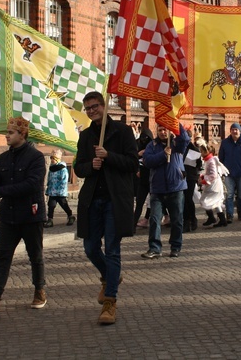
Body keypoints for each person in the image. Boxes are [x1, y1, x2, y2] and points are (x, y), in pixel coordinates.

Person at [0, 116, 47, 315]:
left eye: (11, 133)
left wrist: (1, 191)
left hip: (31, 214)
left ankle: (39, 290)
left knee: (35, 256)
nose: (6, 136)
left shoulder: (36, 157)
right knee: (2, 257)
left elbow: (31, 185)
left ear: (22, 134)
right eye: (7, 132)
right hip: (9, 215)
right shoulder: (4, 158)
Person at [74, 92, 139, 325]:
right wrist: (91, 165)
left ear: (104, 106)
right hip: (92, 200)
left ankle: (110, 301)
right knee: (90, 247)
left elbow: (132, 163)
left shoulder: (122, 131)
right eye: (88, 108)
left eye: (94, 107)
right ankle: (110, 276)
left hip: (114, 199)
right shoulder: (86, 135)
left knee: (112, 249)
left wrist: (109, 156)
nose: (91, 111)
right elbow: (78, 167)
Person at [142, 123, 190, 258]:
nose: (163, 132)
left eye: (165, 129)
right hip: (157, 189)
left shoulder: (176, 144)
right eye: (160, 130)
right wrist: (163, 154)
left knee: (176, 220)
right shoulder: (152, 145)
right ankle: (154, 248)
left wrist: (175, 121)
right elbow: (148, 161)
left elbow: (185, 139)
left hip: (176, 187)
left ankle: (175, 246)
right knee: (155, 219)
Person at [219, 123, 241, 222]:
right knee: (229, 195)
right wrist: (220, 170)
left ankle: (240, 213)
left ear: (240, 131)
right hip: (228, 173)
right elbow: (221, 158)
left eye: (236, 129)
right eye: (233, 129)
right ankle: (229, 215)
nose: (235, 131)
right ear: (230, 131)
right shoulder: (225, 142)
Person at [198, 143, 229, 228]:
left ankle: (212, 218)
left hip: (214, 185)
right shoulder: (209, 160)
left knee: (204, 200)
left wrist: (204, 179)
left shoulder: (211, 160)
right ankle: (222, 220)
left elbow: (213, 175)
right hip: (213, 184)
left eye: (201, 151)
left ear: (206, 151)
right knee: (216, 202)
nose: (200, 153)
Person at [44, 149, 75, 228]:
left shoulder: (62, 168)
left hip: (60, 192)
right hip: (52, 191)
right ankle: (50, 220)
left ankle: (70, 216)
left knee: (64, 205)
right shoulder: (52, 168)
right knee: (51, 205)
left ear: (57, 159)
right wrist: (48, 188)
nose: (52, 160)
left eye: (53, 158)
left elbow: (64, 180)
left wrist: (60, 189)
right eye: (51, 158)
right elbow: (49, 179)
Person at [133, 127, 154, 230]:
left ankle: (147, 219)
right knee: (139, 203)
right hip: (142, 180)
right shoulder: (138, 144)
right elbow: (132, 158)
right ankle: (133, 225)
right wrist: (138, 154)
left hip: (151, 179)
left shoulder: (153, 146)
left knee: (153, 202)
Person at [183, 128, 203, 233]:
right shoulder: (178, 147)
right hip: (180, 177)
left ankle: (191, 220)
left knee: (188, 198)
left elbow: (197, 165)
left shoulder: (194, 149)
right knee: (183, 200)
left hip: (190, 177)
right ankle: (186, 220)